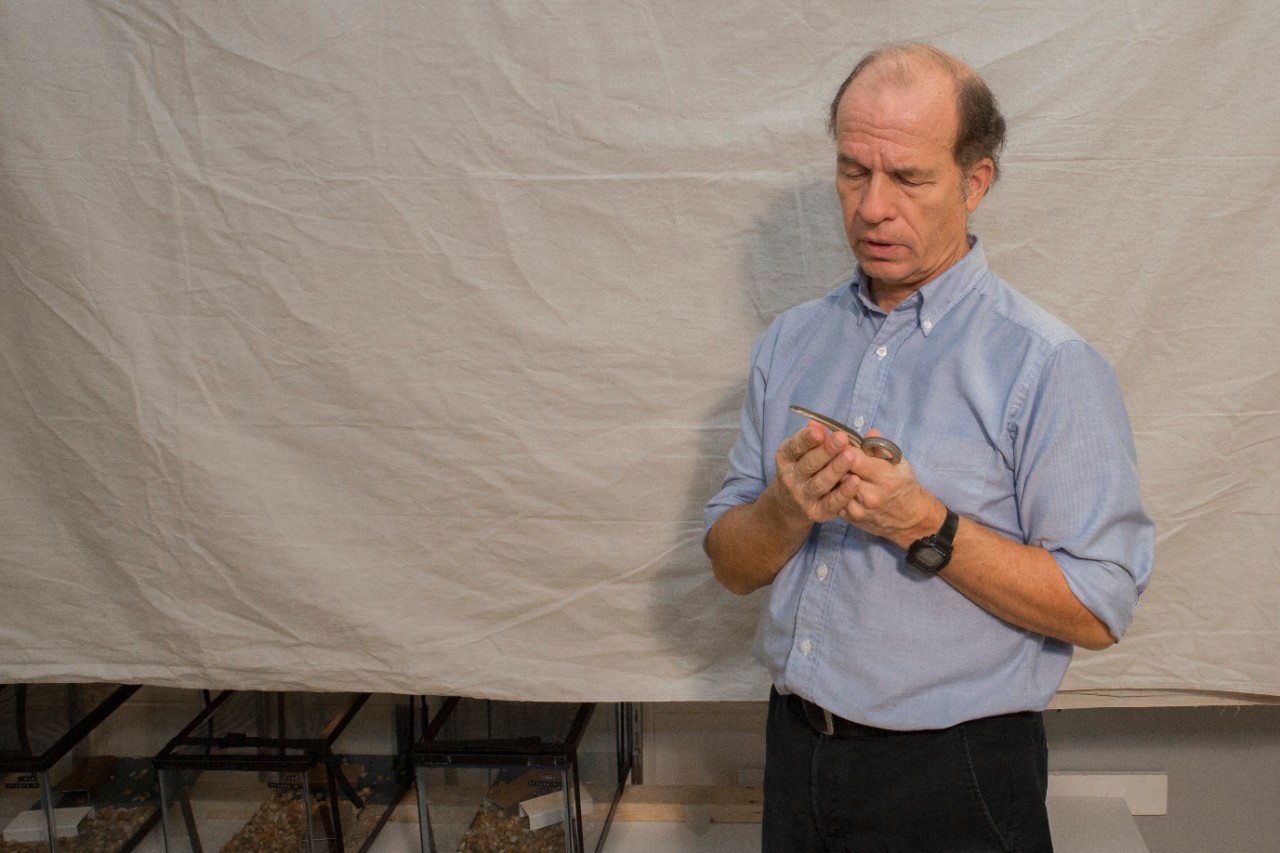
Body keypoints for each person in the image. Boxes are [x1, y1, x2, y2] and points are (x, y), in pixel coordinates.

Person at [703, 43, 1154, 852]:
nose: (873, 207)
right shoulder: (790, 343)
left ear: (975, 182)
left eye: (908, 178)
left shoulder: (1048, 364)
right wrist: (783, 509)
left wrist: (927, 526)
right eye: (852, 172)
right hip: (794, 751)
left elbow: (1099, 606)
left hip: (959, 775)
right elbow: (732, 566)